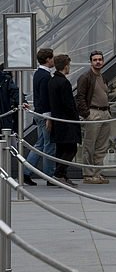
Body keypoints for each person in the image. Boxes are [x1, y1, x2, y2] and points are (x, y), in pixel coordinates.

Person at [75, 50, 110, 184]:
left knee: (102, 146)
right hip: (93, 113)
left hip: (105, 113)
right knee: (90, 145)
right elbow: (80, 97)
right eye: (95, 60)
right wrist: (87, 114)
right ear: (90, 62)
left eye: (100, 59)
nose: (98, 62)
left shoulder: (103, 77)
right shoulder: (85, 77)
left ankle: (97, 173)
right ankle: (88, 174)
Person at [47, 54, 80, 188]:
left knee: (60, 149)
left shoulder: (52, 81)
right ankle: (59, 174)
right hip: (67, 121)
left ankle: (62, 175)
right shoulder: (64, 82)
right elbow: (68, 104)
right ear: (66, 66)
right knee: (71, 149)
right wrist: (74, 116)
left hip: (57, 120)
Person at [26, 48, 55, 183]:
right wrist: (48, 117)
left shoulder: (38, 74)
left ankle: (26, 172)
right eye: (53, 58)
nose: (54, 60)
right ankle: (49, 176)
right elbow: (45, 97)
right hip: (44, 114)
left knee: (40, 143)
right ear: (48, 59)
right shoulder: (45, 76)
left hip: (38, 113)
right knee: (49, 145)